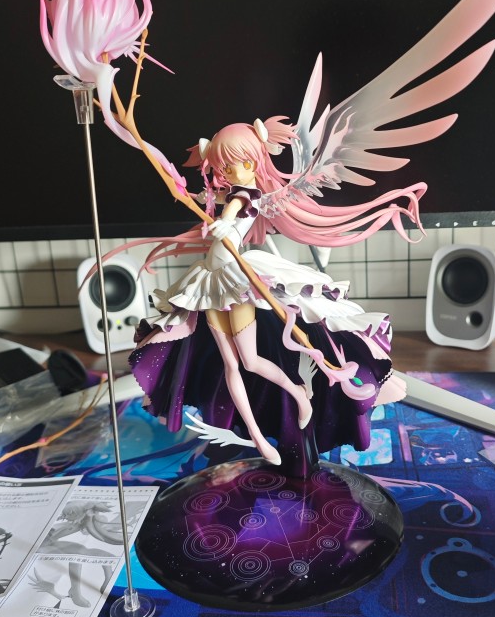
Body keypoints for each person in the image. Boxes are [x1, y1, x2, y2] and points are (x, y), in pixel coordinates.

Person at [129, 116, 409, 468]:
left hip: (235, 282)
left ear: (255, 161)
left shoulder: (248, 195)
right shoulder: (231, 192)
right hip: (210, 282)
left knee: (249, 361)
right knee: (231, 365)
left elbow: (231, 212)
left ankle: (298, 394)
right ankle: (258, 438)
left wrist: (222, 221)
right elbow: (212, 200)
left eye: (240, 163)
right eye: (224, 166)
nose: (231, 171)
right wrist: (189, 194)